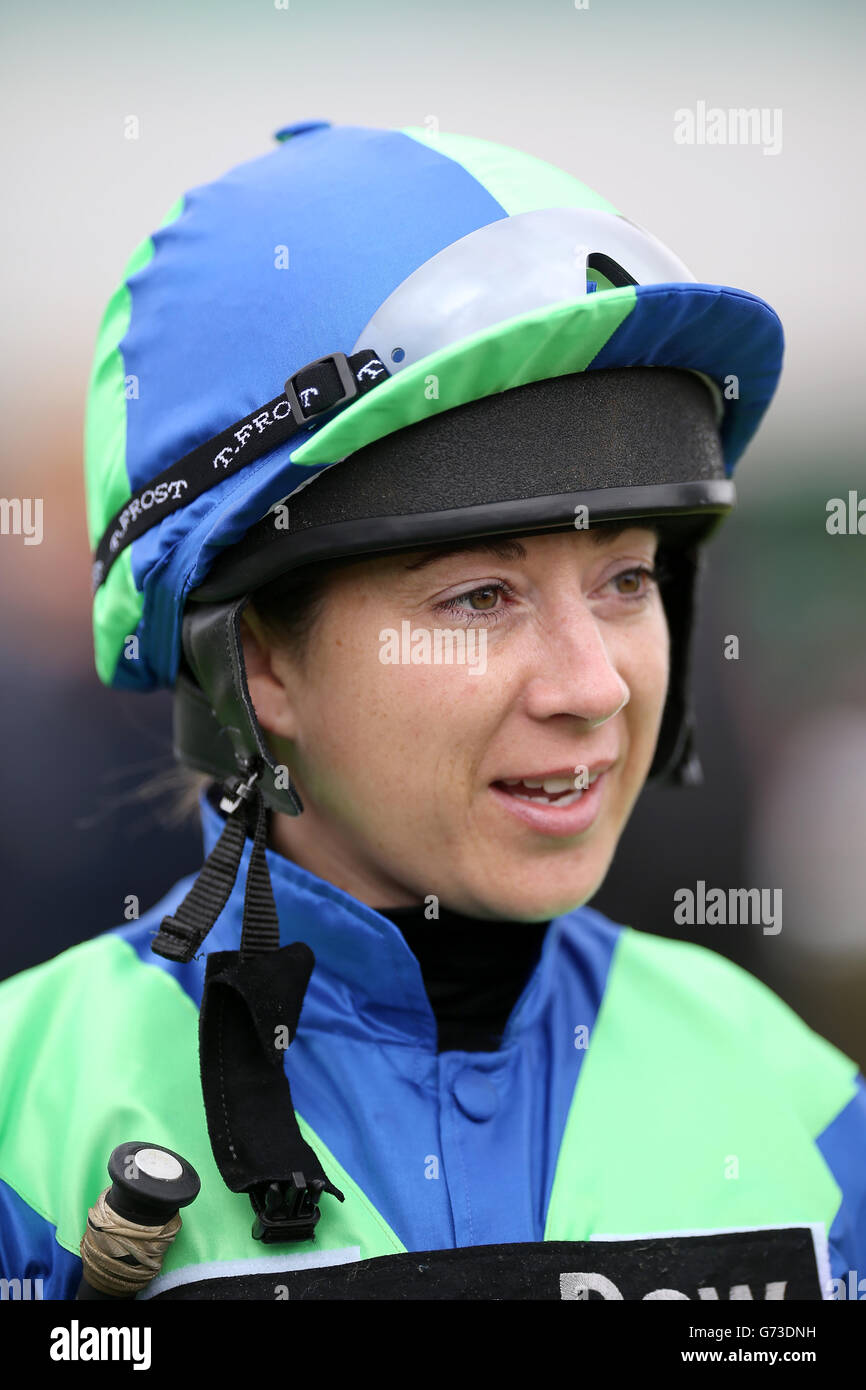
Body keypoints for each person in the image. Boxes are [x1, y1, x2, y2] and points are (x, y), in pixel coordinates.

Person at [1, 119, 864, 1303]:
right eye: (479, 597)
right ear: (258, 665)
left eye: (625, 578)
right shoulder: (24, 1122)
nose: (592, 685)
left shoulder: (805, 1103)